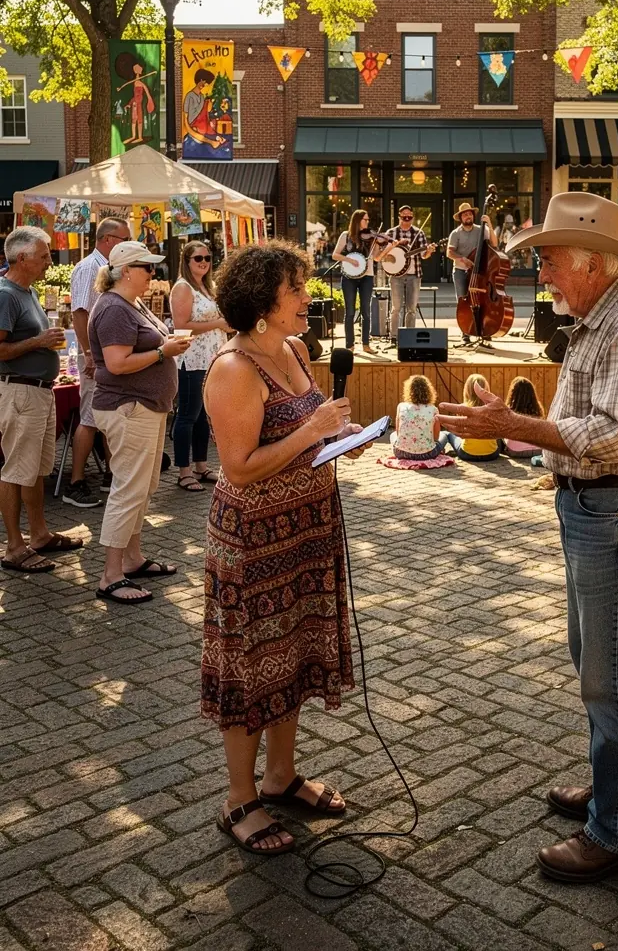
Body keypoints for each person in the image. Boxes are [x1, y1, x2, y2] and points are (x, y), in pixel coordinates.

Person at [438, 191, 618, 883]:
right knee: (601, 663)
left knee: (613, 673)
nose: (539, 274)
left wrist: (512, 428)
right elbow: (591, 425)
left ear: (591, 263)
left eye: (547, 261)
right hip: (601, 508)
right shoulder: (604, 317)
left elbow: (609, 436)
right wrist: (531, 440)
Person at [202, 241, 372, 857]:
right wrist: (313, 430)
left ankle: (280, 776)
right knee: (252, 665)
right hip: (255, 540)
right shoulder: (233, 370)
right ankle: (239, 800)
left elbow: (307, 434)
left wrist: (340, 439)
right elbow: (239, 468)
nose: (308, 298)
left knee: (293, 654)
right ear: (262, 304)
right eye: (296, 290)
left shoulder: (296, 350)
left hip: (306, 529)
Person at [89, 241, 192, 604]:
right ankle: (110, 576)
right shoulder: (115, 308)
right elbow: (116, 364)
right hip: (129, 407)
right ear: (126, 271)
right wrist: (164, 351)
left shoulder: (131, 303)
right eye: (147, 267)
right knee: (128, 490)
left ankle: (131, 560)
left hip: (144, 406)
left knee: (142, 487)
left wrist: (165, 347)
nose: (153, 273)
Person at [0, 227, 80, 574]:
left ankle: (39, 534)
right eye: (45, 255)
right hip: (19, 391)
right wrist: (38, 343)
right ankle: (14, 547)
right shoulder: (5, 294)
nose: (50, 261)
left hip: (37, 391)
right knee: (17, 469)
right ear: (23, 258)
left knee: (32, 469)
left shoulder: (24, 291)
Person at [63, 217, 130, 509]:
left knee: (106, 416)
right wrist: (89, 354)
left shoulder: (109, 269)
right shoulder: (89, 267)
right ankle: (76, 483)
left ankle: (110, 475)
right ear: (108, 240)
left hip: (105, 356)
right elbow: (80, 314)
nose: (128, 245)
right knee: (90, 418)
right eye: (125, 240)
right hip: (95, 356)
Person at [170, 241, 230, 492]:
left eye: (207, 257)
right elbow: (181, 325)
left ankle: (201, 466)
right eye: (198, 258)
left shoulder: (207, 287)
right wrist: (217, 323)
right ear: (187, 260)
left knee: (205, 415)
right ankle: (184, 471)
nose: (204, 262)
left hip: (211, 358)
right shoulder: (183, 288)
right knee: (187, 415)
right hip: (192, 358)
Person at [381, 205, 436, 342]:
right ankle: (394, 337)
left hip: (414, 275)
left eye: (409, 217)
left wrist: (429, 250)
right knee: (396, 308)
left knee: (411, 308)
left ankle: (409, 337)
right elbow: (383, 254)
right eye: (404, 216)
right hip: (396, 276)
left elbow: (424, 255)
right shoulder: (391, 233)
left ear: (412, 217)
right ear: (399, 217)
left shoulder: (419, 233)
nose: (407, 219)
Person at [446, 203, 497, 346]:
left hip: (480, 272)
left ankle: (484, 330)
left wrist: (490, 225)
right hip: (461, 271)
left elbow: (494, 243)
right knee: (463, 301)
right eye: (464, 214)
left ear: (473, 216)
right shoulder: (455, 233)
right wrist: (463, 260)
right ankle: (465, 333)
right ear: (460, 217)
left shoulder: (482, 230)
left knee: (482, 300)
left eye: (469, 214)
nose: (468, 216)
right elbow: (449, 252)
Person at [380, 374, 454, 469]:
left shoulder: (401, 406)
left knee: (392, 435)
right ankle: (439, 451)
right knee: (445, 435)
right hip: (428, 454)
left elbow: (398, 433)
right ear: (428, 391)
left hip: (401, 453)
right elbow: (436, 437)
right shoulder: (433, 409)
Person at [331, 209, 375, 354]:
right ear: (357, 221)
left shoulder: (371, 237)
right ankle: (349, 346)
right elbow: (335, 255)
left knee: (366, 312)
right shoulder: (346, 235)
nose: (368, 222)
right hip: (349, 277)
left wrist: (388, 247)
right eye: (365, 220)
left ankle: (366, 345)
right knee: (349, 312)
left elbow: (377, 258)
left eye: (368, 220)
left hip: (367, 276)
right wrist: (349, 259)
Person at [441, 374, 503, 462]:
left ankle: (441, 451)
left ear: (467, 390)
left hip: (467, 454)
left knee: (448, 434)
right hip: (492, 455)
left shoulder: (462, 409)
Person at [503, 376, 543, 458]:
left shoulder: (508, 410)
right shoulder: (537, 409)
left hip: (516, 451)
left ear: (513, 393)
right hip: (539, 450)